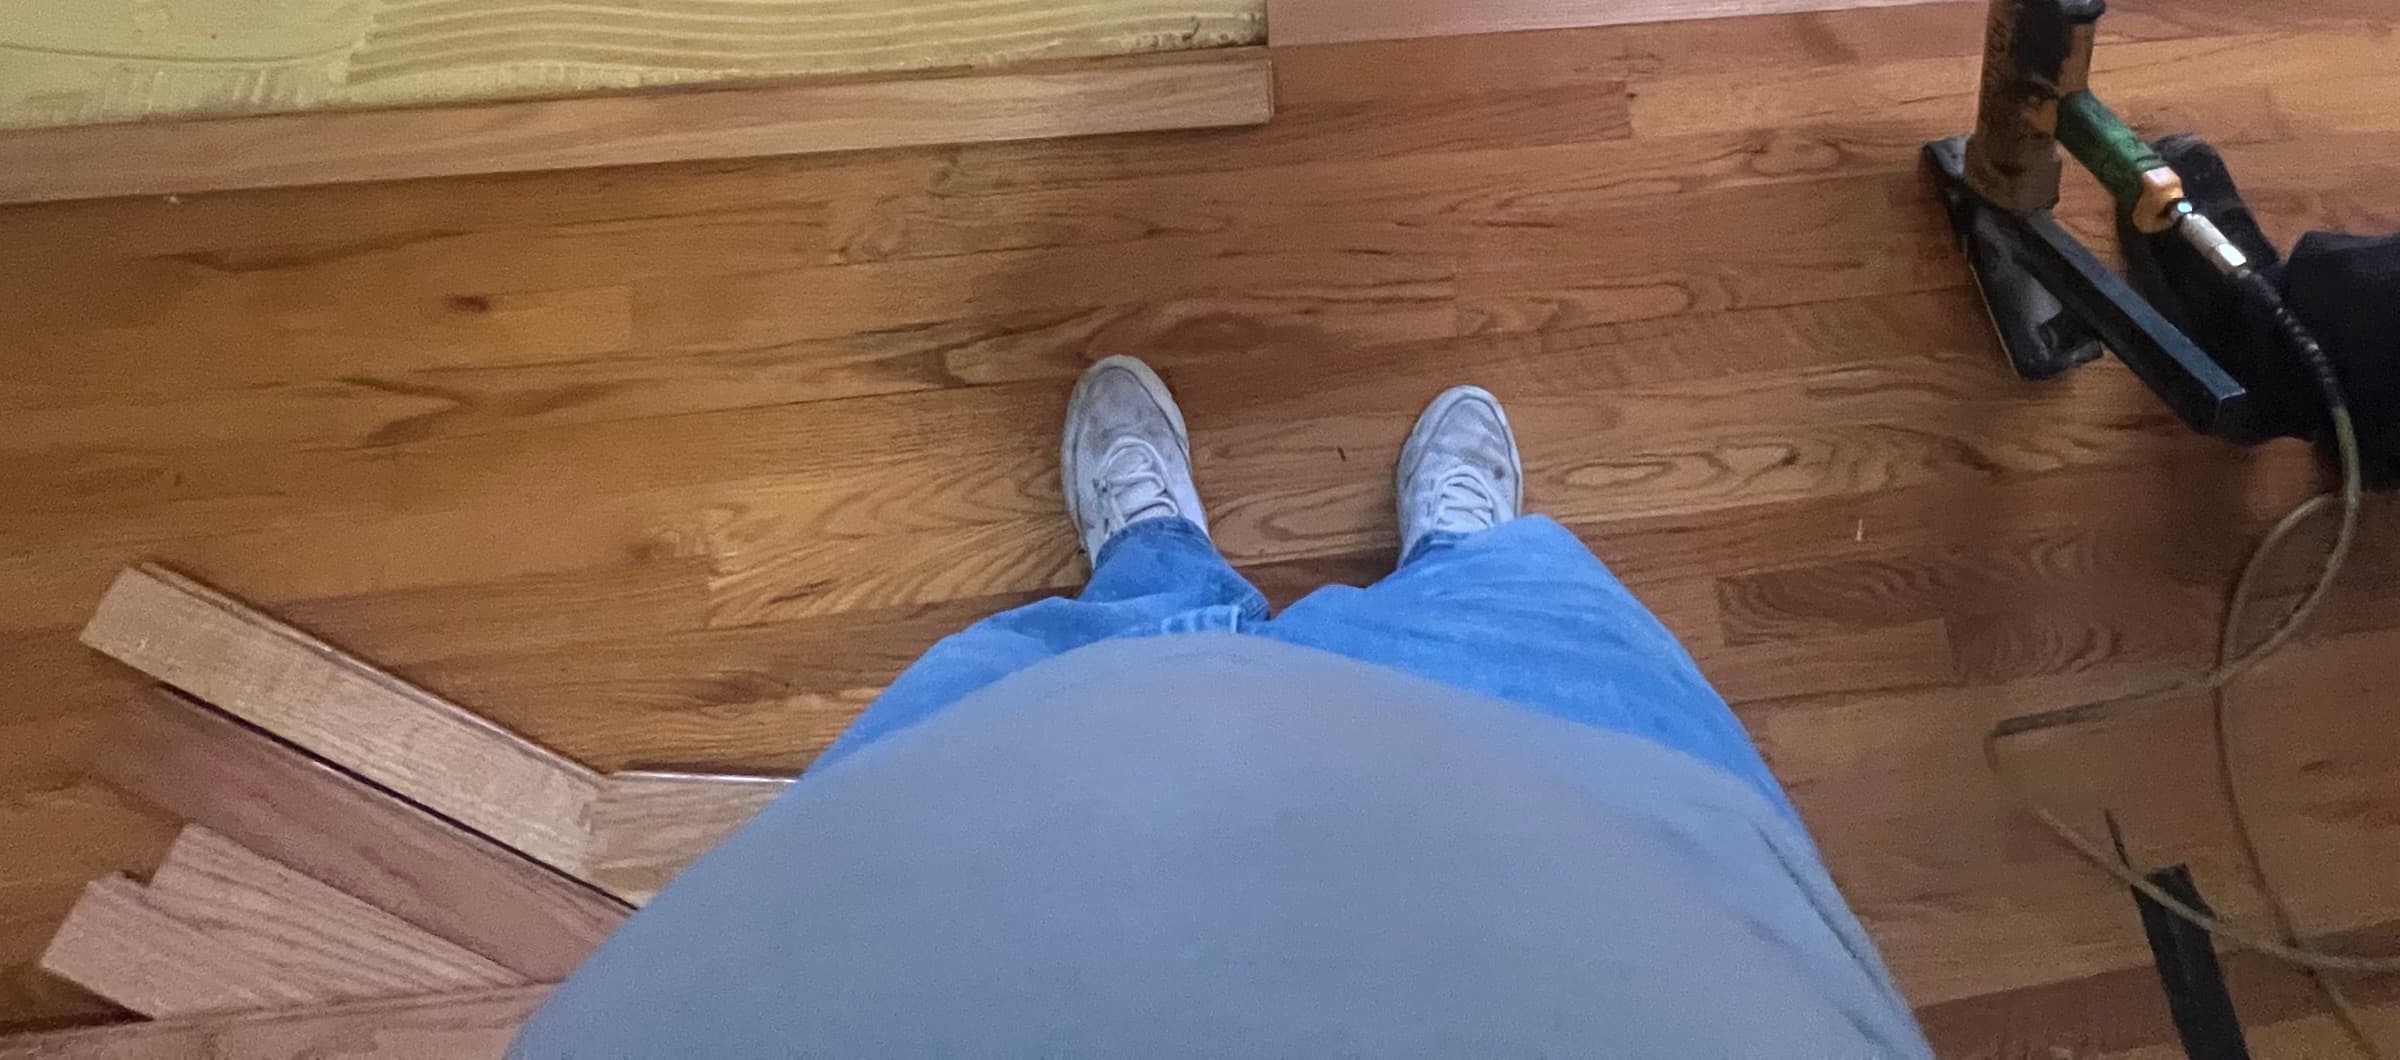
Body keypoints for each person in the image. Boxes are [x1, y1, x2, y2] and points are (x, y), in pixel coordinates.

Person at [515, 358, 1931, 1059]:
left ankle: (1159, 570)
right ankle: (1449, 568)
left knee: (1089, 662)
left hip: (918, 898)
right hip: (1628, 858)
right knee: (1522, 621)